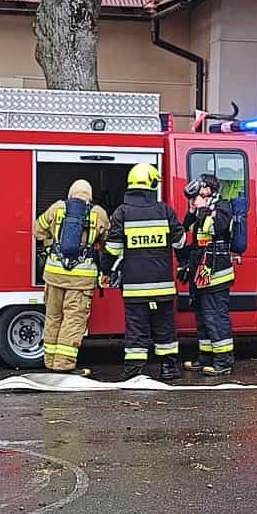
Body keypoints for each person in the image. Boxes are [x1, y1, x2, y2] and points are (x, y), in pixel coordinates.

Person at [102, 160, 187, 381]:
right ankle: (169, 368)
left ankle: (134, 370)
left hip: (134, 286)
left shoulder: (122, 212)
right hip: (163, 286)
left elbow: (112, 248)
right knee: (165, 327)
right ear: (151, 184)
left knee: (137, 328)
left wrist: (104, 269)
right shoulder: (165, 210)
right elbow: (180, 243)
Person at [33, 179, 110, 373]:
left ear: (71, 193)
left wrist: (52, 243)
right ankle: (64, 365)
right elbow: (108, 240)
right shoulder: (98, 213)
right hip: (81, 279)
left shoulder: (57, 208)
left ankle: (50, 361)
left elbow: (37, 230)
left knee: (53, 317)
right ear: (90, 195)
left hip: (53, 275)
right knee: (73, 320)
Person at [180, 174, 247, 377]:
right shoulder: (202, 207)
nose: (198, 192)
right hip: (202, 274)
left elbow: (216, 228)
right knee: (202, 319)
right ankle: (205, 358)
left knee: (216, 318)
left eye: (202, 189)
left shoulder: (223, 207)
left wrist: (202, 209)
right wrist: (192, 211)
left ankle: (223, 362)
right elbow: (187, 229)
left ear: (210, 189)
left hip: (217, 276)